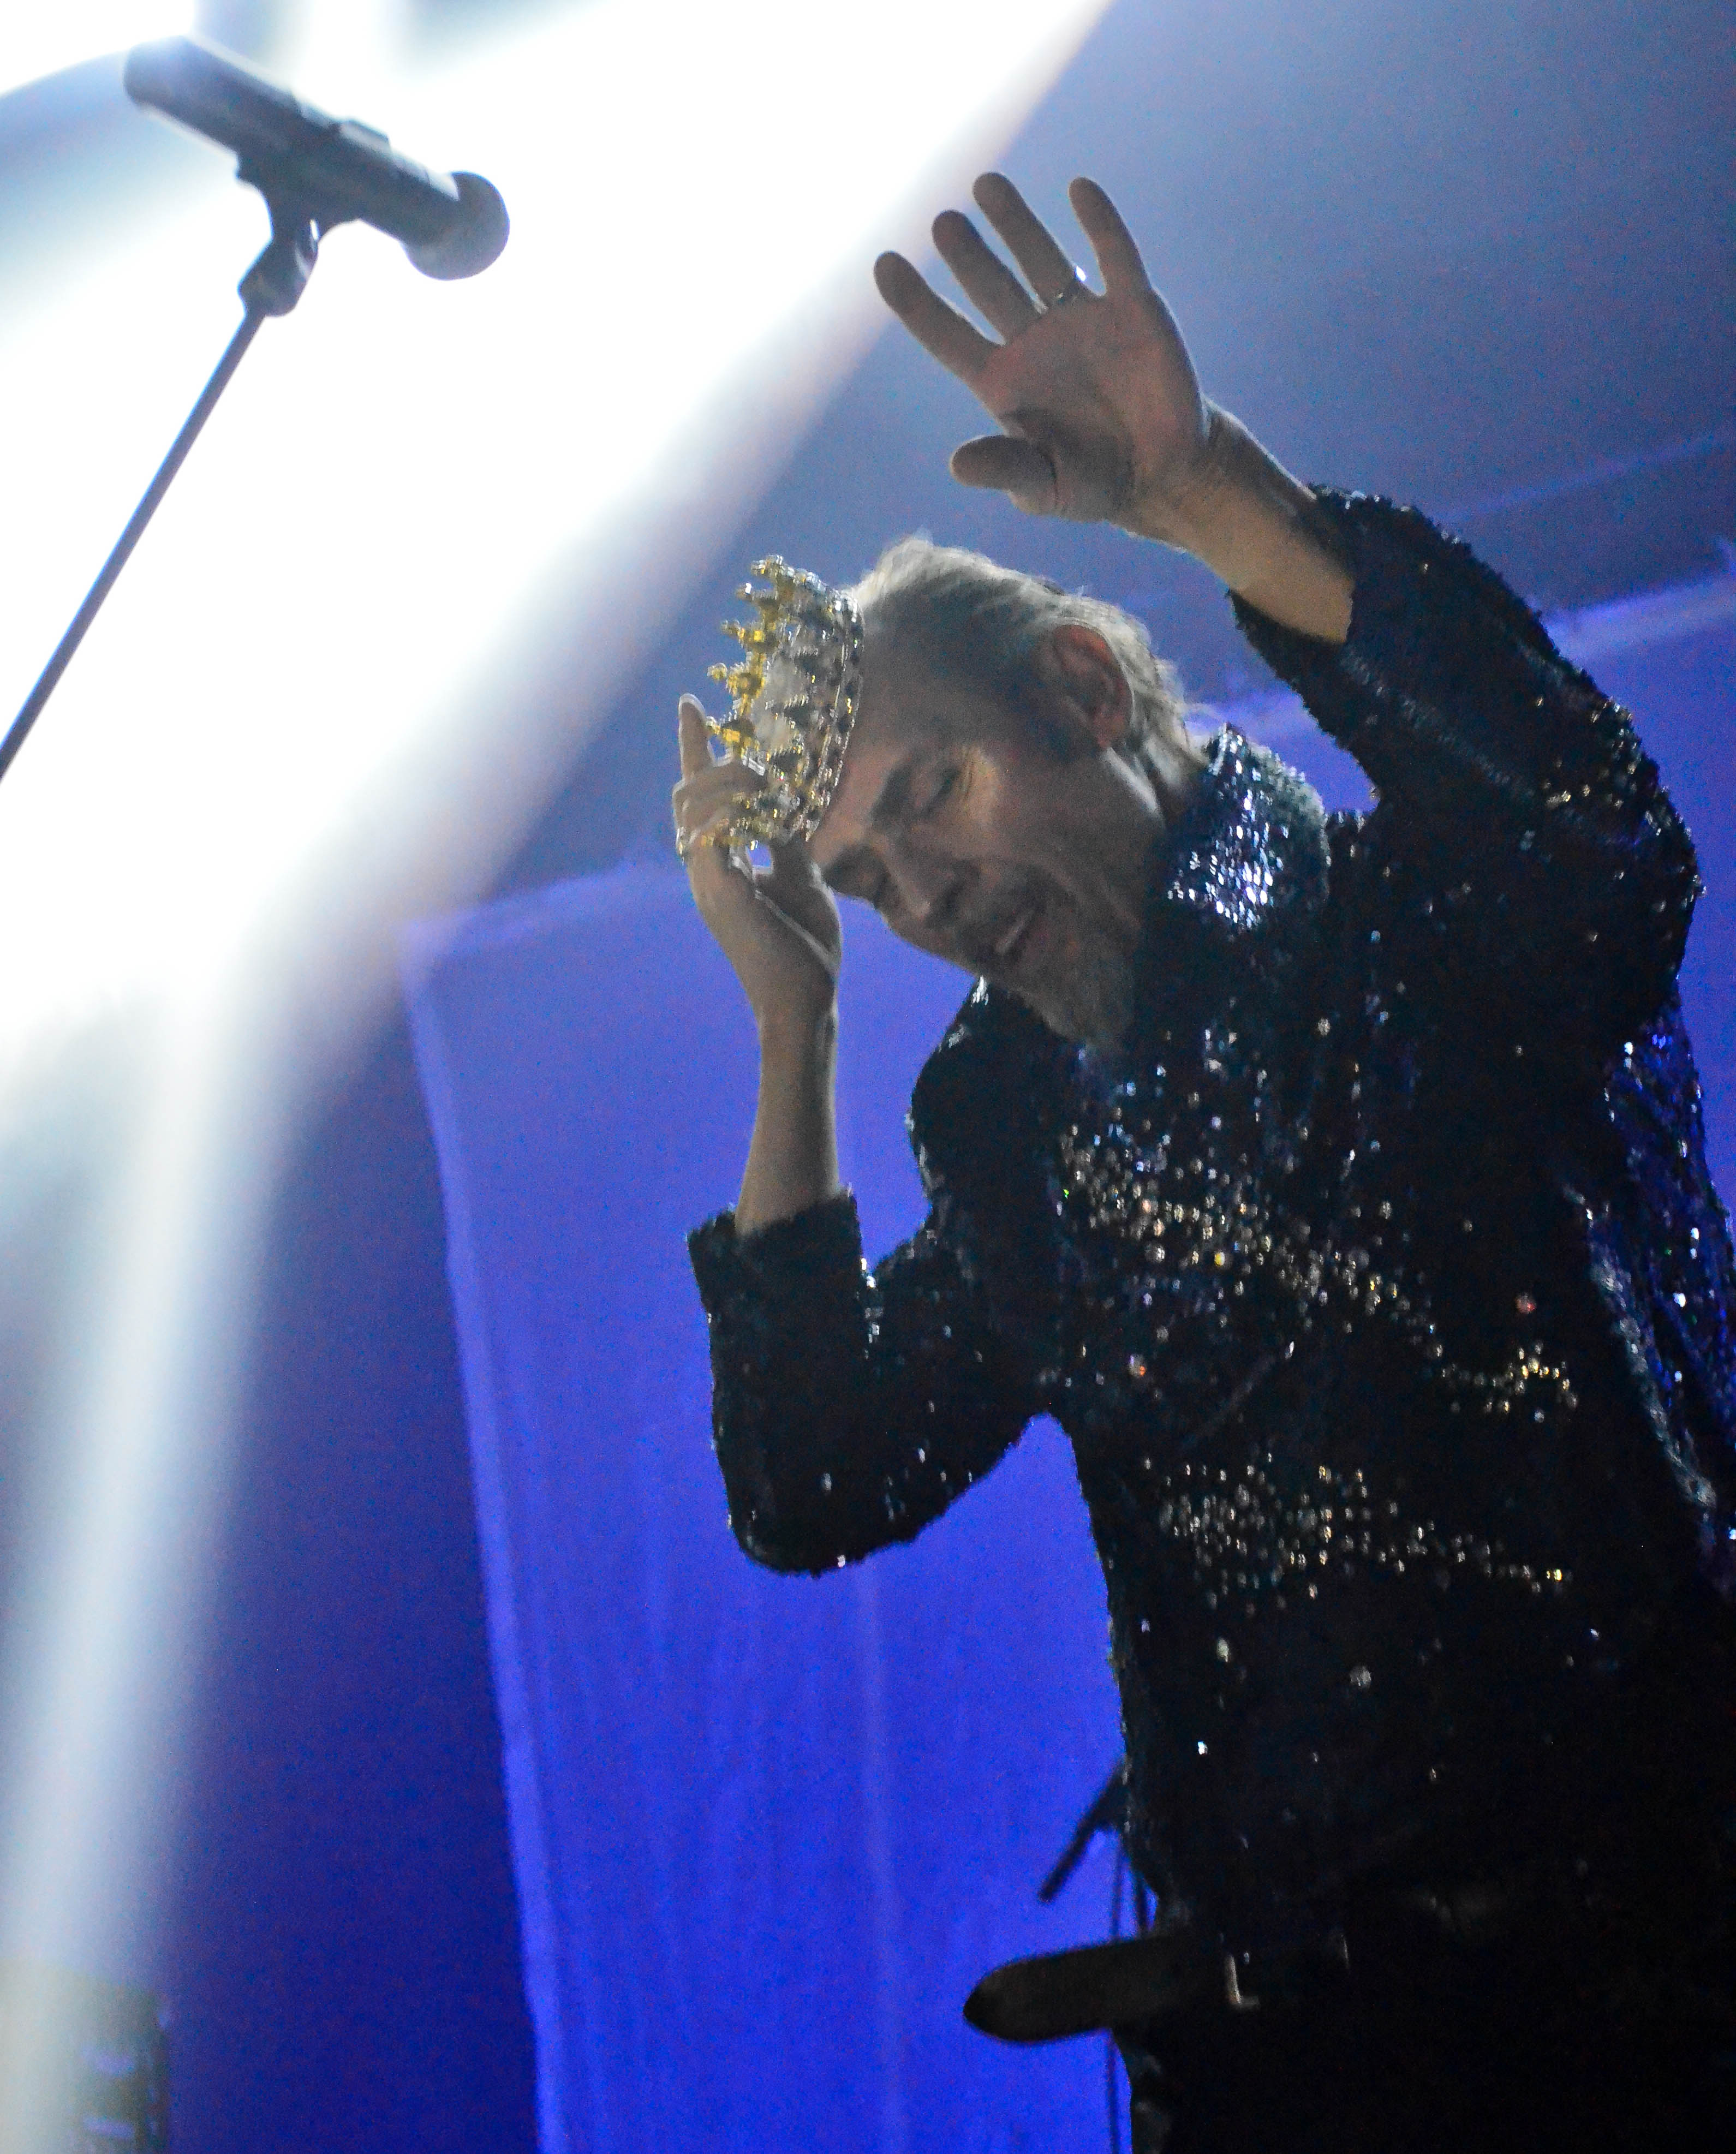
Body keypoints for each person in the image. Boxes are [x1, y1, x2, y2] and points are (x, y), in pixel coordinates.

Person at [671, 174, 1735, 2149]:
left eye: (934, 795)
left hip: (1654, 1992)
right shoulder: (1014, 1144)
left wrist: (1204, 491)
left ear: (1081, 686)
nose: (928, 894)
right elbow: (815, 1471)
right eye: (869, 879)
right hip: (1283, 2061)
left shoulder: (1422, 921)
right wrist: (792, 1023)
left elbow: (1602, 834)